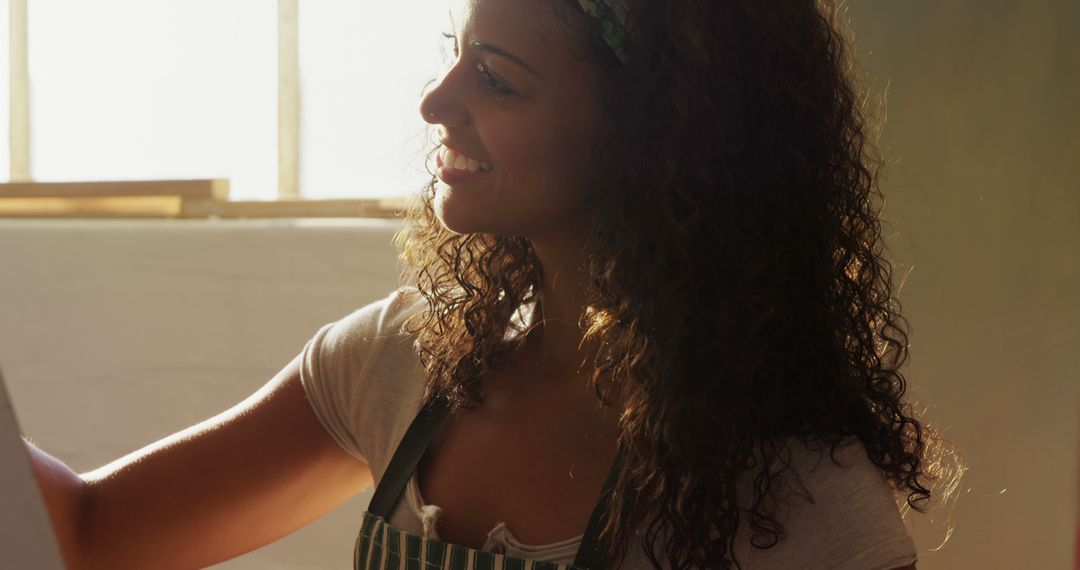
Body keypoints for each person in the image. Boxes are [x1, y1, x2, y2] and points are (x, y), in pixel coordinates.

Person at [24, 0, 962, 568]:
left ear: (657, 137)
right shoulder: (399, 360)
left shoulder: (795, 488)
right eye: (455, 53)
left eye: (498, 80)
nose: (437, 103)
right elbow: (92, 534)